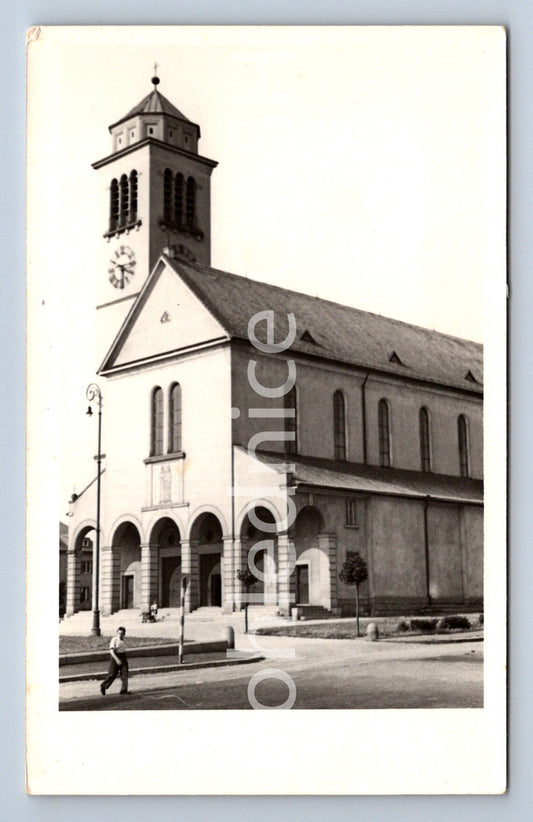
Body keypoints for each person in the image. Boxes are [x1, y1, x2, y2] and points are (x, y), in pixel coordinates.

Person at [100, 626, 129, 695]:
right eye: (119, 633)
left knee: (125, 674)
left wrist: (123, 659)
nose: (120, 635)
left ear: (124, 634)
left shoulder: (124, 640)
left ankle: (124, 690)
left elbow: (123, 650)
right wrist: (117, 660)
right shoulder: (114, 639)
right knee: (112, 674)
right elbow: (112, 651)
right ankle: (103, 685)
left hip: (123, 656)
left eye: (122, 633)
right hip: (115, 657)